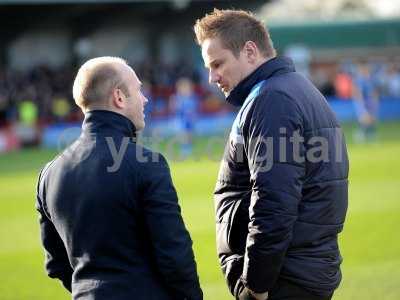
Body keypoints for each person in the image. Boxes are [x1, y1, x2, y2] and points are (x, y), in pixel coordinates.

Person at [194, 9, 348, 300]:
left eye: (218, 64)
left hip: (284, 280)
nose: (212, 77)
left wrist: (256, 285)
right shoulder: (294, 88)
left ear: (250, 51)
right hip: (301, 271)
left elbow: (274, 199)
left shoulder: (271, 99)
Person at [35, 57, 203, 300]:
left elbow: (56, 265)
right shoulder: (147, 164)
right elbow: (175, 255)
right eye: (138, 90)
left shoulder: (48, 175)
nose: (145, 99)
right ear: (119, 98)